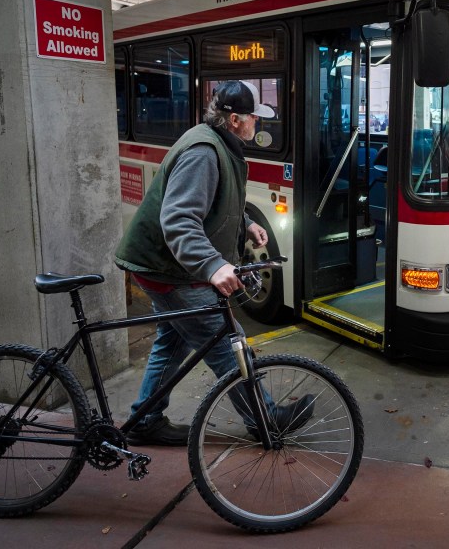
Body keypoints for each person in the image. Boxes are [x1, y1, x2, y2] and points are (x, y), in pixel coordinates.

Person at [115, 80, 312, 446]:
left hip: (163, 266)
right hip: (170, 269)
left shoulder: (218, 143)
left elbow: (213, 205)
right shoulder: (203, 152)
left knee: (172, 342)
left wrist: (246, 225)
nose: (259, 123)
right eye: (255, 117)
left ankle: (145, 419)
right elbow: (179, 220)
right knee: (226, 343)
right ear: (236, 120)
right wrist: (212, 265)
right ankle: (266, 419)